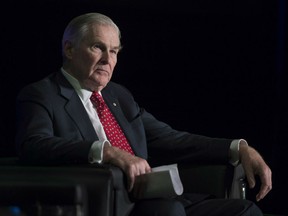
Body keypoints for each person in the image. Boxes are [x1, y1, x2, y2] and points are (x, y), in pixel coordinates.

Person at [15, 12, 272, 216]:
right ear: (69, 50)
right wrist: (107, 151)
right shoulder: (42, 94)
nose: (108, 59)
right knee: (169, 210)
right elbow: (34, 145)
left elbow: (171, 138)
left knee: (244, 210)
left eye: (114, 51)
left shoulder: (119, 96)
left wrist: (238, 148)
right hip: (113, 204)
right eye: (98, 47)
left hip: (157, 200)